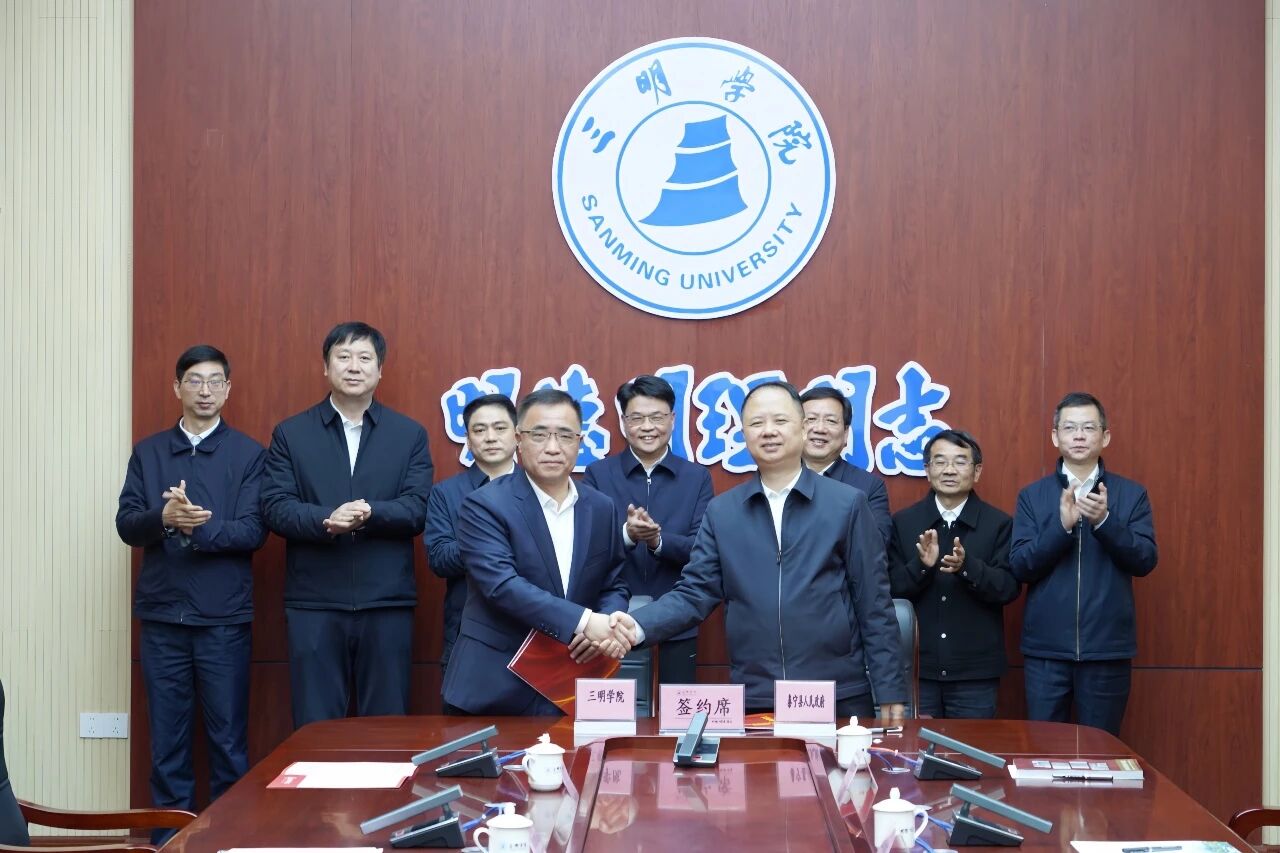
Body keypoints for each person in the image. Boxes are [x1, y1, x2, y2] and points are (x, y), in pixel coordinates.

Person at [615, 382, 905, 719]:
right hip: (756, 694)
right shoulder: (724, 512)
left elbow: (874, 601)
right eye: (756, 423)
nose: (768, 431)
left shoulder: (847, 504)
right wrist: (634, 626)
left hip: (837, 692)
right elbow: (695, 593)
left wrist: (889, 690)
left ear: (803, 427)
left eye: (780, 421)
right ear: (744, 434)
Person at [115, 345, 266, 831]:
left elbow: (253, 531)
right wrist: (163, 518)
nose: (205, 391)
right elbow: (126, 524)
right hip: (163, 621)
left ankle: (226, 840)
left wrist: (196, 526)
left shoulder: (249, 454)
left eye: (215, 381)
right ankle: (168, 842)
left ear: (228, 389)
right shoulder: (149, 452)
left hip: (223, 621)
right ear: (177, 387)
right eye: (195, 381)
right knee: (167, 748)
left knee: (228, 746)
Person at [261, 322, 433, 728]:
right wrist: (326, 519)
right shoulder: (291, 433)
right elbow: (275, 506)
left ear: (379, 370)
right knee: (315, 727)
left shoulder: (409, 434)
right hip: (314, 603)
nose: (354, 366)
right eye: (343, 356)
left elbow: (418, 508)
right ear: (326, 367)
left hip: (386, 601)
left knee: (387, 727)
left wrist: (370, 513)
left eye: (364, 358)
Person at [442, 389, 630, 716]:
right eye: (540, 435)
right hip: (494, 687)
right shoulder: (484, 505)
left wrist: (606, 626)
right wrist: (585, 622)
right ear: (519, 439)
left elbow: (614, 583)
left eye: (565, 435)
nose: (553, 447)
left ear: (580, 441)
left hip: (572, 681)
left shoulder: (601, 507)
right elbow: (502, 586)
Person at [1010, 392, 1157, 735]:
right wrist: (1060, 528)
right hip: (1046, 651)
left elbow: (1145, 560)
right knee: (1044, 750)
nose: (1079, 436)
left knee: (1102, 749)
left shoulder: (1131, 495)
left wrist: (1105, 522)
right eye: (1070, 428)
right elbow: (1020, 565)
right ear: (1055, 436)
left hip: (1106, 650)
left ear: (1105, 437)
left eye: (1088, 428)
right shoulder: (1032, 496)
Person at [582, 375, 714, 684]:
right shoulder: (598, 474)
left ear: (672, 420)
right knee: (616, 706)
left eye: (656, 417)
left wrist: (657, 541)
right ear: (623, 422)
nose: (647, 427)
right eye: (637, 418)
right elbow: (586, 548)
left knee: (675, 707)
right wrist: (627, 535)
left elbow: (702, 550)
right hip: (610, 623)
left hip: (677, 622)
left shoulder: (696, 478)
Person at [888, 429, 1019, 718]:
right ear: (927, 469)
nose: (949, 470)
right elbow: (890, 589)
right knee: (913, 746)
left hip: (975, 674)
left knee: (971, 748)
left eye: (960, 461)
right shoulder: (903, 522)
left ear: (977, 471)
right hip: (917, 671)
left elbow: (1009, 588)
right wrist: (922, 566)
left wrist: (967, 567)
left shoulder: (999, 524)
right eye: (940, 461)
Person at [425, 393, 519, 700]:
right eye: (479, 430)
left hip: (532, 632)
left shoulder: (540, 489)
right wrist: (487, 542)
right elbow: (439, 558)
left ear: (517, 433)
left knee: (535, 727)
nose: (490, 437)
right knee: (463, 724)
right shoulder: (446, 493)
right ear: (467, 438)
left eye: (499, 428)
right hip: (466, 633)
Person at [799, 386, 892, 546]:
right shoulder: (777, 479)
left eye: (831, 421)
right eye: (811, 419)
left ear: (846, 433)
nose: (819, 429)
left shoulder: (869, 487)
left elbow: (875, 546)